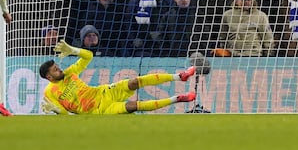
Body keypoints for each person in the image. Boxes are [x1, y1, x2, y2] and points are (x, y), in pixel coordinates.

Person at [39, 40, 197, 115]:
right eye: (55, 70)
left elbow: (88, 56)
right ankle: (177, 98)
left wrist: (74, 50)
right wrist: (57, 111)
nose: (59, 69)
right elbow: (66, 116)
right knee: (132, 106)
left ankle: (180, 76)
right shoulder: (50, 92)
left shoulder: (69, 73)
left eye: (57, 67)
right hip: (99, 110)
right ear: (48, 76)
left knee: (135, 81)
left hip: (104, 92)